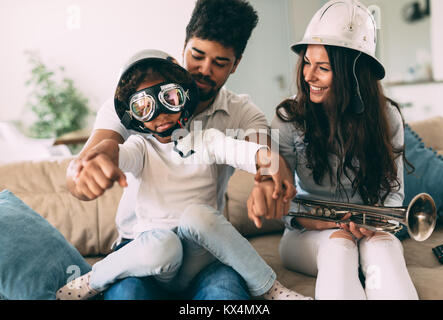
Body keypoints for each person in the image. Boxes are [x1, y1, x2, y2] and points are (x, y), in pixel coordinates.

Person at [66, 0, 294, 300]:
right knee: (128, 296)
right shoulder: (133, 102)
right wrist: (89, 168)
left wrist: (268, 177)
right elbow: (103, 150)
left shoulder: (239, 114)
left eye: (220, 63)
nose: (204, 70)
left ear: (236, 64)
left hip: (205, 248)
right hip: (141, 245)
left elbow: (260, 151)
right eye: (197, 55)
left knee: (224, 297)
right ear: (183, 47)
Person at [248, 0, 419, 300]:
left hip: (369, 229)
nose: (308, 76)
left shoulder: (388, 116)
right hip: (305, 233)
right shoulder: (289, 118)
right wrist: (323, 222)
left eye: (323, 68)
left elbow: (394, 194)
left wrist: (375, 223)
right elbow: (284, 202)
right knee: (339, 245)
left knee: (383, 247)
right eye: (307, 63)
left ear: (353, 75)